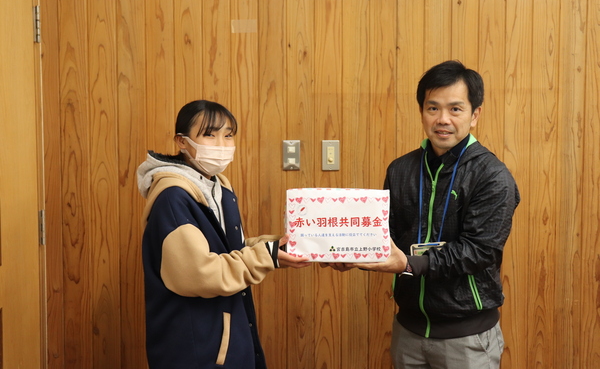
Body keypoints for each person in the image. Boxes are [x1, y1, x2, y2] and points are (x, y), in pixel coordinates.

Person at [326, 60, 520, 369]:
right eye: (433, 108)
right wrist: (350, 254)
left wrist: (409, 263)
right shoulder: (401, 169)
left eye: (455, 109)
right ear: (421, 111)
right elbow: (385, 238)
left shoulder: (492, 176)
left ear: (475, 115)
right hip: (408, 332)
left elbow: (479, 252)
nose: (443, 119)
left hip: (467, 338)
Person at [137, 100, 309, 369]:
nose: (221, 145)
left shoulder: (218, 188)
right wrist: (265, 256)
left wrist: (275, 248)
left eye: (228, 136)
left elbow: (229, 250)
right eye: (209, 134)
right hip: (196, 351)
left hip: (227, 343)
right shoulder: (173, 199)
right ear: (181, 141)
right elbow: (200, 273)